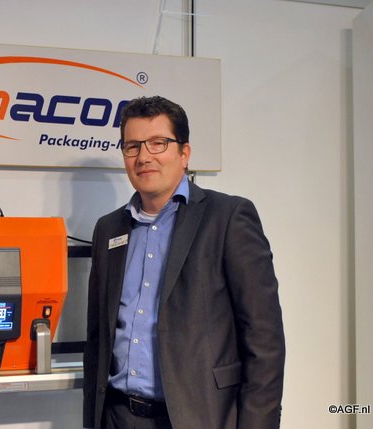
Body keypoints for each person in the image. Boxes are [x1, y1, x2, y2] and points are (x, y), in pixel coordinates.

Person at [83, 96, 285, 429]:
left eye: (158, 143)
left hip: (199, 416)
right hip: (117, 416)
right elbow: (97, 339)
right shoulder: (109, 229)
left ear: (184, 153)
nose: (144, 156)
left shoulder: (228, 218)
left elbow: (264, 340)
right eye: (132, 146)